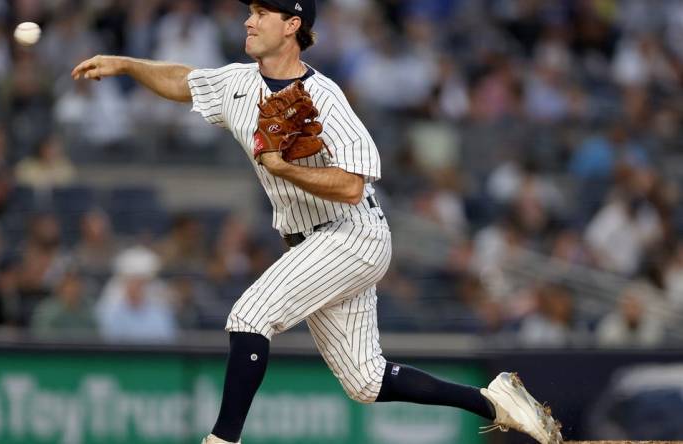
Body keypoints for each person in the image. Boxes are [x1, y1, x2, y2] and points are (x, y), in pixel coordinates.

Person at [71, 1, 562, 443]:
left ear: (292, 25)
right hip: (309, 243)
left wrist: (284, 167)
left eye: (262, 13)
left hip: (353, 233)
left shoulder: (323, 96)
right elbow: (184, 81)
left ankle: (222, 440)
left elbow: (352, 185)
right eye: (250, 11)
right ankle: (495, 402)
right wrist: (128, 65)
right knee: (366, 382)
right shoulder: (239, 83)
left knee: (248, 317)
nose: (248, 20)